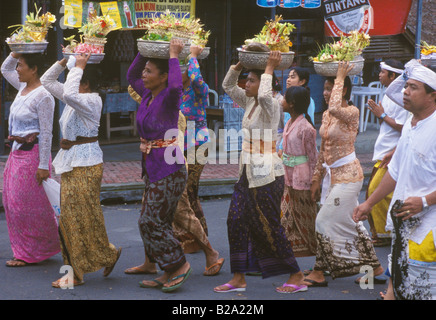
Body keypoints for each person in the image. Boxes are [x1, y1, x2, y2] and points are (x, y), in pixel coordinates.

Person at [214, 51, 307, 294]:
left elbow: (265, 92)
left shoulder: (272, 104)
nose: (246, 84)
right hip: (246, 170)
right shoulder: (250, 101)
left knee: (269, 225)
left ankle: (296, 274)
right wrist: (238, 65)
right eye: (247, 80)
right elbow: (227, 85)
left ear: (265, 82)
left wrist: (269, 67)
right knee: (235, 220)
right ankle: (238, 277)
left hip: (267, 173)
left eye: (251, 80)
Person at [353, 60, 436, 300]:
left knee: (423, 291)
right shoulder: (411, 125)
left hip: (429, 228)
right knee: (401, 286)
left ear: (432, 95)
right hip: (403, 223)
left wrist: (425, 201)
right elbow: (395, 172)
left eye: (413, 87)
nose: (405, 92)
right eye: (405, 86)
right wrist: (368, 204)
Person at [41, 53, 121, 288]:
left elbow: (70, 92)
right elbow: (47, 81)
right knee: (73, 218)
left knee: (79, 218)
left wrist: (80, 66)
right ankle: (107, 254)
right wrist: (66, 61)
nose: (69, 81)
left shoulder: (92, 100)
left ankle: (74, 273)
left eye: (75, 78)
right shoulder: (73, 99)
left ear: (84, 82)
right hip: (72, 162)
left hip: (87, 164)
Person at [303, 61, 383, 288]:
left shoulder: (351, 111)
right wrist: (317, 177)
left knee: (323, 220)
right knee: (353, 223)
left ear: (343, 89)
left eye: (331, 88)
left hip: (349, 177)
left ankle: (320, 271)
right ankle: (374, 269)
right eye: (325, 89)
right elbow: (323, 148)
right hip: (331, 176)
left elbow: (336, 107)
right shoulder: (327, 116)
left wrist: (340, 76)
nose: (327, 93)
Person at [126, 39, 192, 292]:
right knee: (158, 221)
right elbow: (132, 74)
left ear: (163, 76)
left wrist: (173, 54)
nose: (144, 74)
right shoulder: (147, 95)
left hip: (170, 169)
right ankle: (167, 270)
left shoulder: (169, 97)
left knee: (149, 221)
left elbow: (177, 84)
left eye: (150, 71)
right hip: (152, 166)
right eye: (145, 70)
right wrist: (144, 50)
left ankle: (179, 265)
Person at [1, 52, 60, 267]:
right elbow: (4, 69)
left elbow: (46, 133)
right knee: (13, 203)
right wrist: (16, 52)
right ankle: (27, 249)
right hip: (16, 154)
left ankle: (30, 252)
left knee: (30, 206)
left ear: (34, 69)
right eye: (18, 65)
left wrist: (44, 165)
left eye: (21, 65)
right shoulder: (22, 88)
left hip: (33, 156)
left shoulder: (43, 95)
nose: (17, 69)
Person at [365, 59, 409, 247]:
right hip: (385, 151)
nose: (379, 75)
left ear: (392, 76)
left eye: (383, 72)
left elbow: (402, 128)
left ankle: (385, 233)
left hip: (392, 152)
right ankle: (384, 232)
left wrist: (381, 115)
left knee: (375, 191)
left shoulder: (402, 98)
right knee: (377, 192)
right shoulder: (389, 94)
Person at [280, 86, 318, 257]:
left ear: (292, 104)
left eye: (285, 98)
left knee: (306, 214)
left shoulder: (307, 128)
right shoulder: (289, 122)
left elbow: (313, 157)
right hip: (287, 175)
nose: (281, 101)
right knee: (286, 212)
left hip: (302, 176)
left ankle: (314, 247)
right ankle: (289, 247)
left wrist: (315, 182)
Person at [277, 67, 315, 157]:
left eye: (292, 77)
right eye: (288, 77)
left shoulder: (308, 100)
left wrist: (282, 147)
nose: (288, 80)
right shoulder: (287, 101)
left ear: (302, 81)